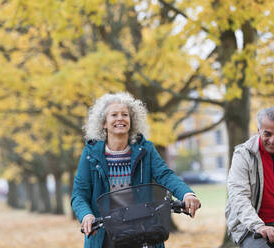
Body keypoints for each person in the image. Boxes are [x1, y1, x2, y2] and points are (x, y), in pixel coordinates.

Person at [71, 92, 201, 248]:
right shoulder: (90, 154)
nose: (120, 118)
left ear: (131, 121)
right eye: (114, 115)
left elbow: (165, 175)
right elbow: (79, 193)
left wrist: (186, 194)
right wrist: (86, 215)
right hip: (105, 234)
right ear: (104, 123)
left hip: (144, 229)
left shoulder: (145, 149)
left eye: (125, 115)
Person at [225, 106, 274, 247]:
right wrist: (259, 226)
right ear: (258, 131)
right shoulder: (243, 155)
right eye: (267, 134)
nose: (273, 140)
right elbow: (239, 196)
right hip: (249, 227)